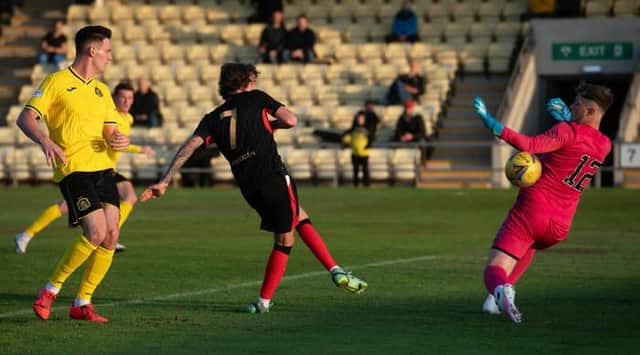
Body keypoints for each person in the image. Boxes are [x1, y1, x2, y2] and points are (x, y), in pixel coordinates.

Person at [140, 63, 368, 313]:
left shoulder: (212, 118)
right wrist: (271, 126)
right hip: (272, 175)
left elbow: (189, 147)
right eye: (253, 79)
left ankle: (335, 270)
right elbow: (291, 120)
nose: (256, 84)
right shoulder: (257, 98)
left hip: (249, 187)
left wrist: (165, 180)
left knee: (297, 215)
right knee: (285, 238)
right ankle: (265, 300)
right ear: (246, 82)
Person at [16, 25, 130, 323]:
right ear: (92, 51)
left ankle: (82, 303)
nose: (110, 56)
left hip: (103, 169)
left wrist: (117, 138)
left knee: (111, 235)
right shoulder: (56, 82)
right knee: (95, 232)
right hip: (73, 169)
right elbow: (25, 117)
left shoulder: (102, 90)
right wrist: (44, 139)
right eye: (107, 50)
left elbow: (110, 130)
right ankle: (49, 290)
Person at [473, 82, 613, 323]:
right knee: (529, 246)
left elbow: (529, 145)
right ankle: (494, 300)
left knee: (493, 269)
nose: (571, 106)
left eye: (577, 104)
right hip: (560, 225)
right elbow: (580, 143)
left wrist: (493, 125)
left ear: (590, 111)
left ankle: (500, 290)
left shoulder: (567, 131)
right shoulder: (605, 144)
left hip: (534, 209)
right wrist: (567, 119)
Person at [14, 82, 154, 254]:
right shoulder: (111, 116)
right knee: (65, 207)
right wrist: (140, 149)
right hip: (90, 167)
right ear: (114, 98)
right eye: (122, 97)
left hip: (106, 169)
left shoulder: (128, 118)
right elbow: (111, 143)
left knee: (129, 196)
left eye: (130, 98)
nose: (126, 101)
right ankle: (26, 235)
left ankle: (112, 234)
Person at [343, 112, 370, 187]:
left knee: (365, 170)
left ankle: (366, 185)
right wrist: (346, 142)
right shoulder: (353, 129)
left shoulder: (367, 129)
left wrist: (367, 146)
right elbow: (346, 137)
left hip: (364, 153)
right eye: (359, 118)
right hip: (355, 153)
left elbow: (371, 139)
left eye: (362, 118)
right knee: (355, 170)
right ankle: (356, 186)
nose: (360, 120)